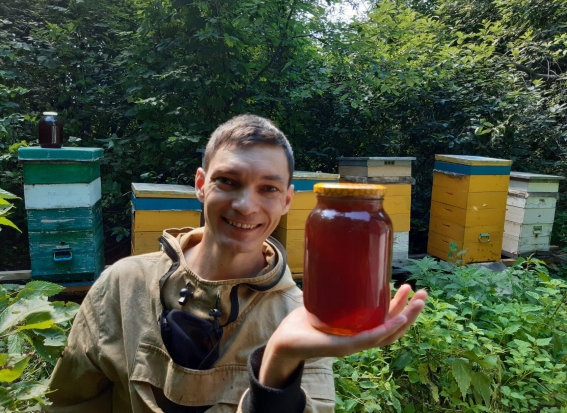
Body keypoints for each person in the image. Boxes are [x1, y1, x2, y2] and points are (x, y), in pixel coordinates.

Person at [46, 114, 427, 413]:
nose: (246, 205)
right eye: (228, 181)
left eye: (268, 188)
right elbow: (70, 401)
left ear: (288, 200)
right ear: (200, 183)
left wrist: (279, 360)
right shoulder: (122, 283)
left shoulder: (301, 317)